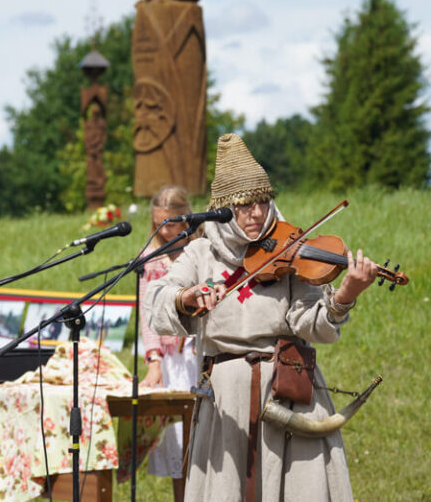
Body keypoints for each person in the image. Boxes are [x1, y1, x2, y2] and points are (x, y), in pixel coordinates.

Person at [145, 134, 378, 502]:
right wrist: (186, 298)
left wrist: (345, 294)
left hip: (287, 391)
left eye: (263, 202)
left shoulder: (290, 248)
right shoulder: (200, 253)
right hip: (226, 399)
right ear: (223, 208)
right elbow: (156, 300)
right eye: (244, 205)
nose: (256, 214)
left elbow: (311, 324)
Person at [138, 185, 201, 502]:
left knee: (206, 438)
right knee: (179, 441)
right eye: (159, 223)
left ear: (185, 218)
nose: (164, 231)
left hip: (200, 353)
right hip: (172, 360)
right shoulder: (149, 258)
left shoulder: (200, 249)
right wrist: (154, 361)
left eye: (171, 223)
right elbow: (147, 315)